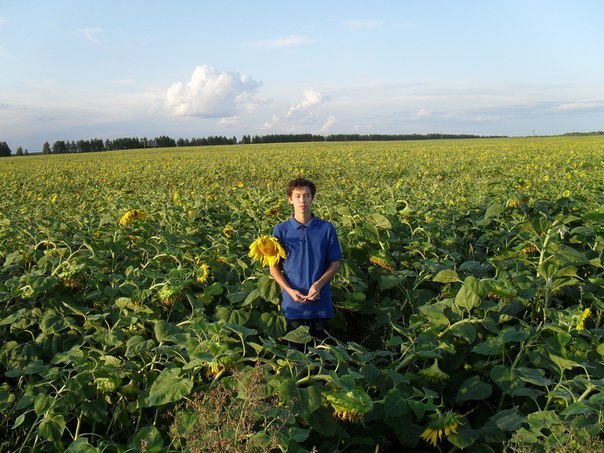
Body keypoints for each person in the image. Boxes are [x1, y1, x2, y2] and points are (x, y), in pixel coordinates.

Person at [269, 178, 342, 346]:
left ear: (312, 198)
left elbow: (335, 264)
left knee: (322, 351)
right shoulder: (281, 230)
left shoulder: (326, 228)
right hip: (293, 303)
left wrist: (318, 285)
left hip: (320, 302)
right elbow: (273, 268)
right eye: (297, 196)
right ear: (290, 199)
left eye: (306, 196)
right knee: (295, 352)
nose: (302, 200)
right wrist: (289, 290)